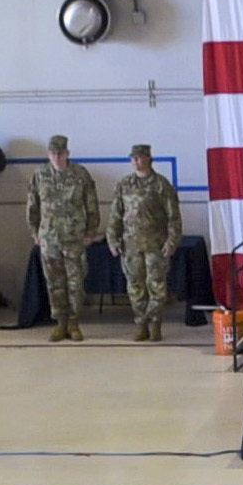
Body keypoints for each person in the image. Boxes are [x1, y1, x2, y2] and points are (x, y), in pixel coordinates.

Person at [26, 133, 100, 341]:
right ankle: (60, 323)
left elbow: (91, 204)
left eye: (60, 153)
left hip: (74, 238)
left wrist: (91, 232)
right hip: (49, 238)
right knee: (55, 283)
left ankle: (74, 323)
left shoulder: (80, 174)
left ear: (67, 153)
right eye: (53, 153)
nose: (57, 157)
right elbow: (33, 205)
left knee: (76, 284)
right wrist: (34, 231)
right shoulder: (40, 175)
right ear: (48, 155)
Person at [108, 144, 183, 341]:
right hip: (131, 247)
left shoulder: (161, 185)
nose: (136, 161)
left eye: (140, 158)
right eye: (133, 158)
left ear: (149, 159)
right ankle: (141, 323)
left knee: (156, 286)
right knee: (135, 286)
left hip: (155, 246)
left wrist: (172, 241)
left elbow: (173, 217)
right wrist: (112, 239)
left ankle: (155, 323)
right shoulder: (124, 184)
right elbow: (115, 215)